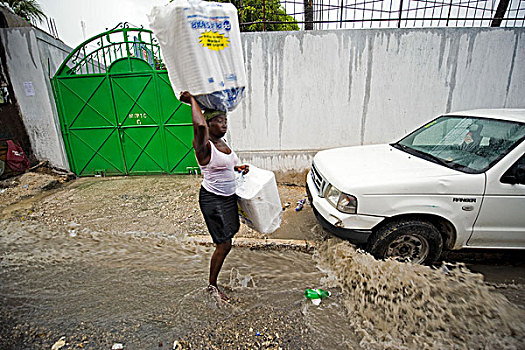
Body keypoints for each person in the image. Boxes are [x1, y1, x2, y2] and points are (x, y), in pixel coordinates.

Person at [179, 91, 249, 302]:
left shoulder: (223, 142)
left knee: (232, 233)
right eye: (218, 121)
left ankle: (214, 280)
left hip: (228, 197)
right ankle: (212, 285)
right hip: (213, 199)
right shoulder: (203, 147)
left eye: (225, 120)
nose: (224, 124)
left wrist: (239, 167)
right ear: (209, 125)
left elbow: (228, 163)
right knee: (224, 243)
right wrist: (192, 100)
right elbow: (199, 127)